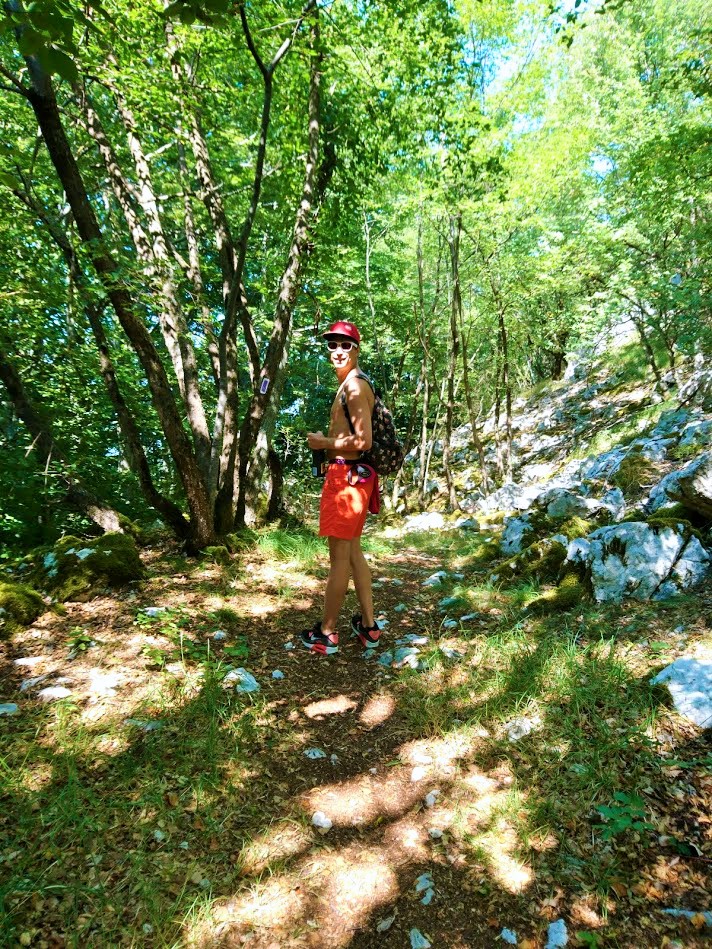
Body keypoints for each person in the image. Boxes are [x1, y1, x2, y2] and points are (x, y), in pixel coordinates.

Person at [301, 320, 381, 655]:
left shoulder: (354, 387)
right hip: (351, 477)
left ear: (357, 349)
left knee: (338, 559)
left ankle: (327, 633)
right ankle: (369, 626)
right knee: (353, 553)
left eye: (345, 345)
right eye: (332, 344)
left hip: (347, 480)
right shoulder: (351, 384)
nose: (338, 351)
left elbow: (364, 441)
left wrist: (324, 443)